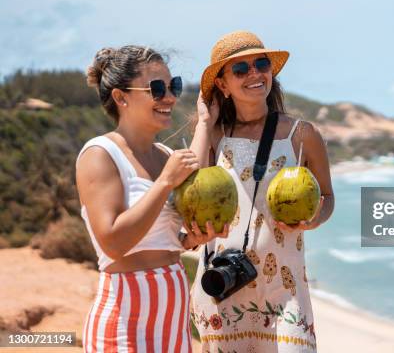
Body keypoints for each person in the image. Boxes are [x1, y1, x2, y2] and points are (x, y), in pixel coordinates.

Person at [189, 31, 334, 352]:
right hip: (224, 285)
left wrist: (313, 221)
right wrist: (203, 123)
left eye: (261, 64)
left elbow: (327, 197)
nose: (254, 73)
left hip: (284, 288)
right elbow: (192, 189)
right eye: (240, 69)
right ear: (223, 85)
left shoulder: (302, 135)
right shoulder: (215, 135)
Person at [76, 45, 228, 352]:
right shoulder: (100, 154)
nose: (170, 97)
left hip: (173, 316)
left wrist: (189, 240)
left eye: (174, 86)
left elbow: (189, 184)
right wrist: (166, 182)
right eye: (157, 89)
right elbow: (114, 244)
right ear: (121, 98)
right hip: (125, 321)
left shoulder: (166, 156)